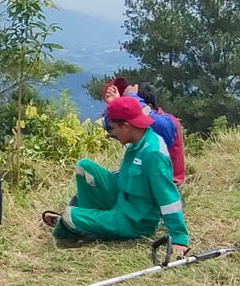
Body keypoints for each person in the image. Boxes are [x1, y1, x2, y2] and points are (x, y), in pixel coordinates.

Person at [42, 96, 189, 256]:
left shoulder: (153, 154)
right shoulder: (138, 141)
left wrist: (179, 237)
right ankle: (88, 219)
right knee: (85, 167)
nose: (112, 134)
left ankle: (72, 225)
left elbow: (168, 197)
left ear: (125, 126)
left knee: (70, 215)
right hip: (122, 200)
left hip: (134, 220)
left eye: (112, 129)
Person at [135, 83, 187, 188]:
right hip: (159, 182)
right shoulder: (165, 120)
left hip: (166, 185)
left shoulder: (164, 123)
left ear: (148, 107)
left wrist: (132, 96)